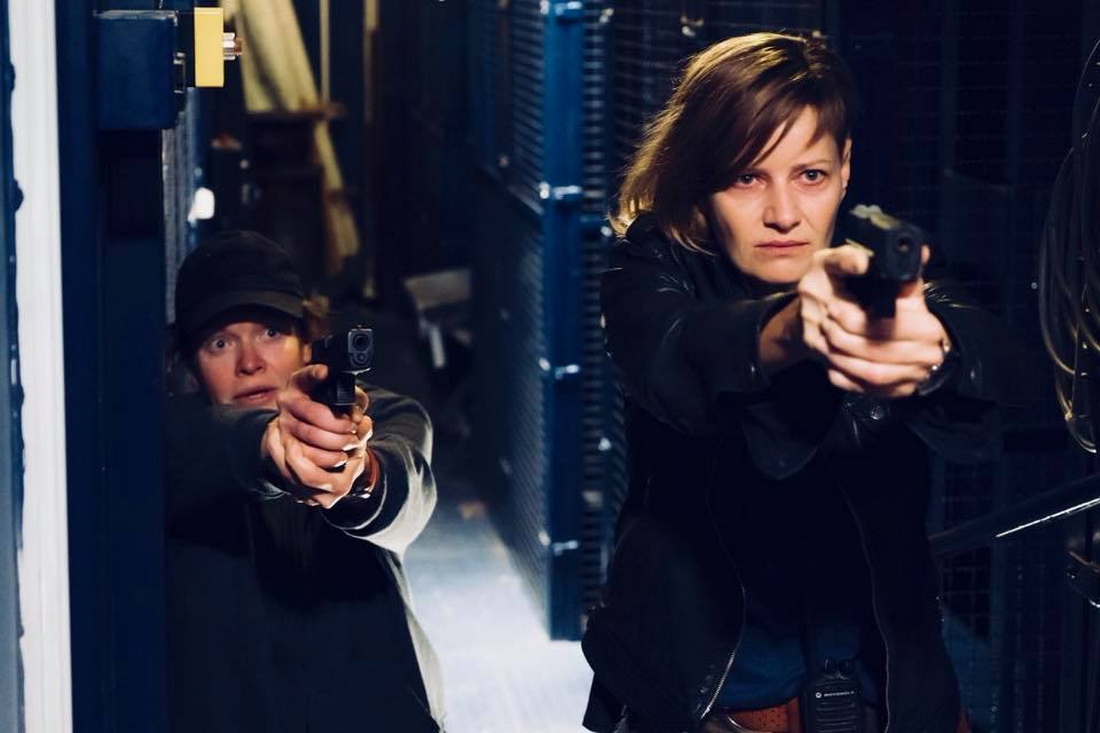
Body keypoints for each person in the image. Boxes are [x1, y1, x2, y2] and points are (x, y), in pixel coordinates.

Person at [581, 33, 1003, 733]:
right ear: (699, 178)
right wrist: (794, 329)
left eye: (809, 175)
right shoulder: (650, 268)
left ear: (845, 169)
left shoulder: (878, 279)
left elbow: (1003, 360)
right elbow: (677, 351)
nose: (783, 213)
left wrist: (938, 351)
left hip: (896, 695)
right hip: (718, 699)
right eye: (747, 178)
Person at [163, 231, 444, 732]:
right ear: (190, 366)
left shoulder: (385, 415)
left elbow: (405, 488)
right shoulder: (175, 439)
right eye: (220, 343)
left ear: (307, 342)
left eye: (271, 333)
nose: (250, 362)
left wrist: (357, 474)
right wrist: (267, 447)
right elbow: (189, 446)